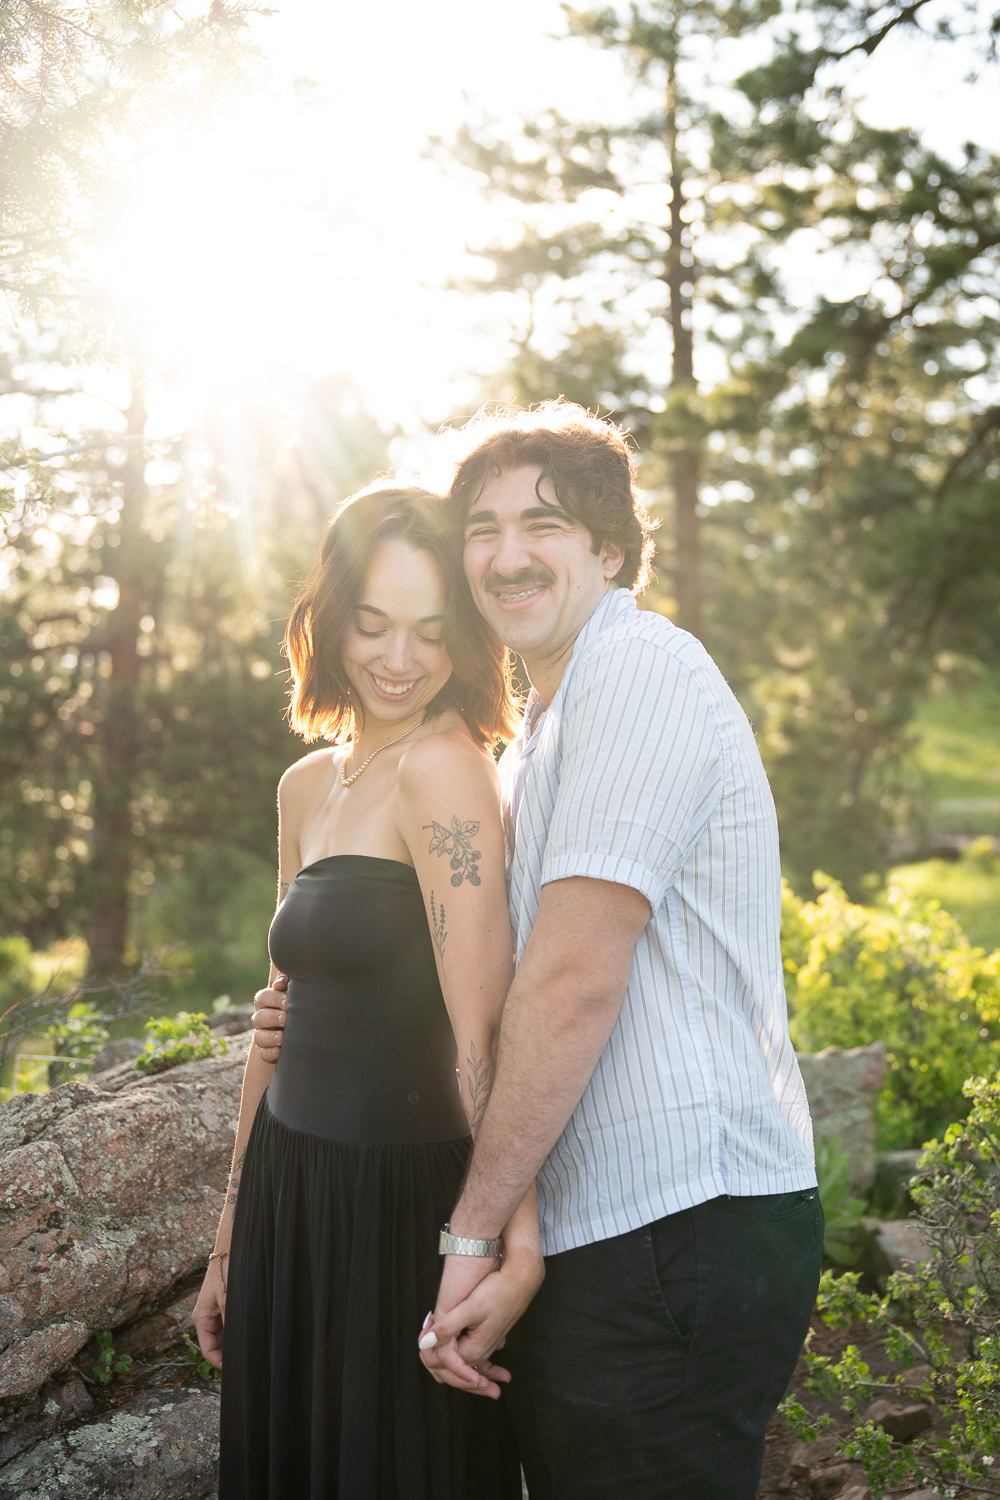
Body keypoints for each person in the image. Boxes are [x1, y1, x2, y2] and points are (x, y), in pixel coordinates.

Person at [255, 404, 823, 1500]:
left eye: (544, 523)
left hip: (680, 1225)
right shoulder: (537, 737)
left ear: (610, 549)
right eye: (483, 528)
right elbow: (474, 966)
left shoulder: (638, 673)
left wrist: (469, 1233)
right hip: (600, 1231)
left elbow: (568, 985)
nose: (507, 555)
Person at [193, 485, 541, 1500]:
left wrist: (507, 1248)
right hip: (291, 1197)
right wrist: (228, 1239)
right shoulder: (307, 785)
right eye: (373, 624)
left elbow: (483, 1033)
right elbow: (278, 1027)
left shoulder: (446, 774)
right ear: (329, 621)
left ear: (466, 641)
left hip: (397, 1209)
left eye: (432, 632)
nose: (400, 658)